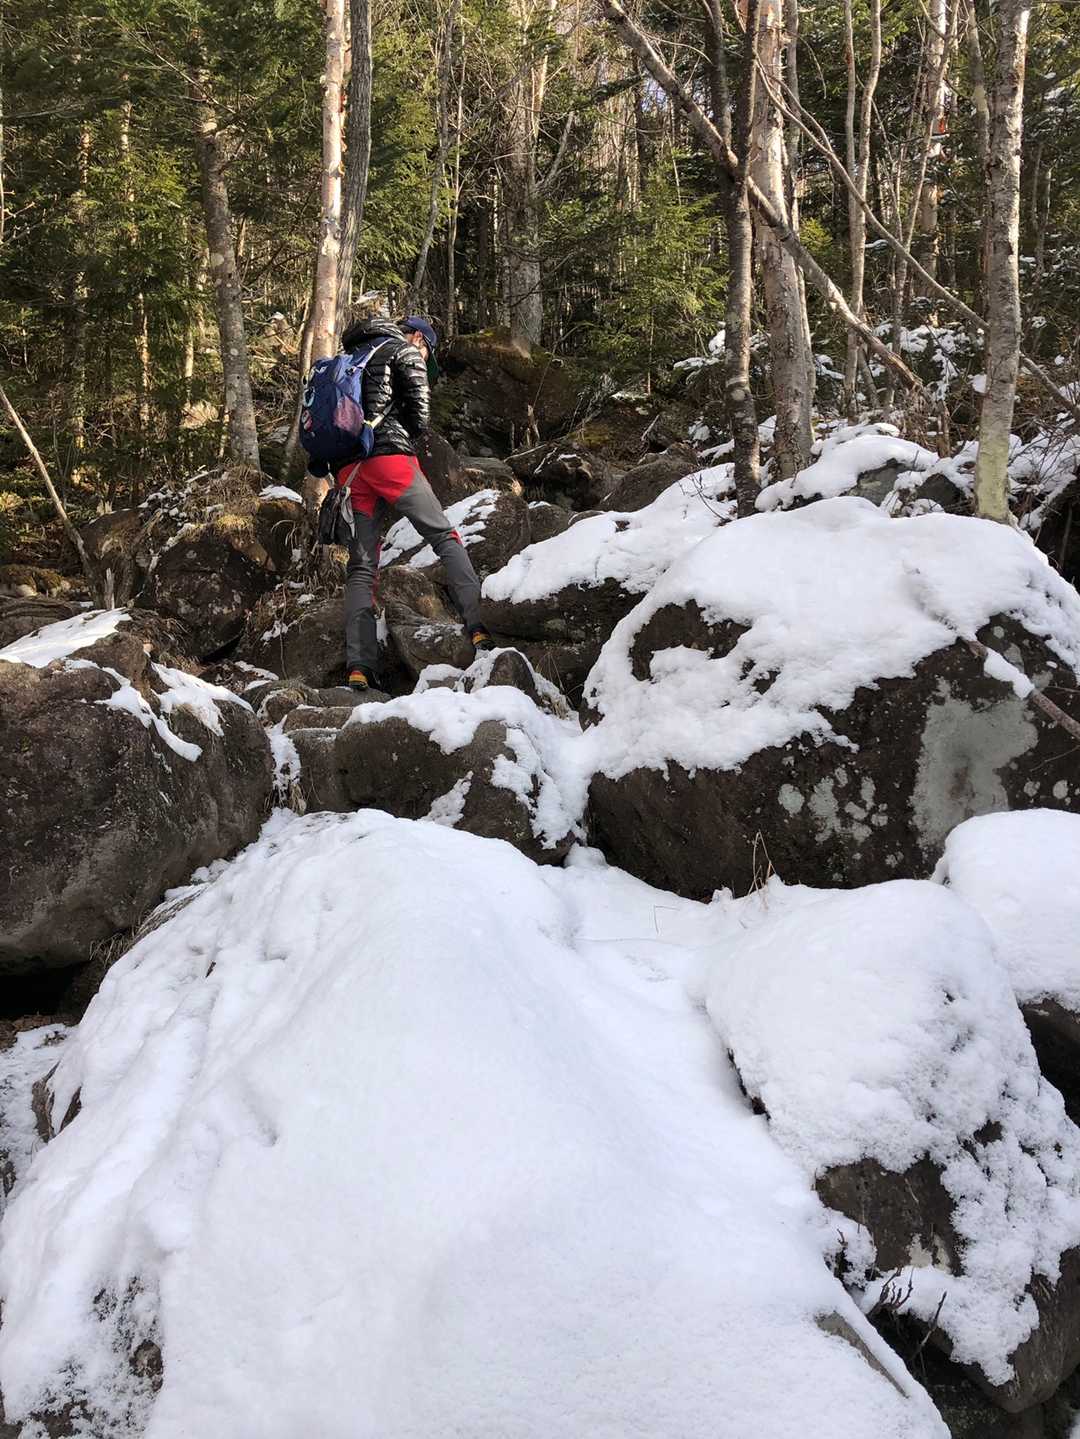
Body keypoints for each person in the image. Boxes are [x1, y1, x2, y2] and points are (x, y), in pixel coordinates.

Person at [308, 314, 491, 691]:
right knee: (443, 536)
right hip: (391, 461)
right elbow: (420, 416)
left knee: (361, 568)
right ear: (417, 338)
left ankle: (359, 666)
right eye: (427, 352)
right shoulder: (402, 351)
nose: (424, 358)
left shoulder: (345, 361)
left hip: (349, 473)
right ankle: (479, 626)